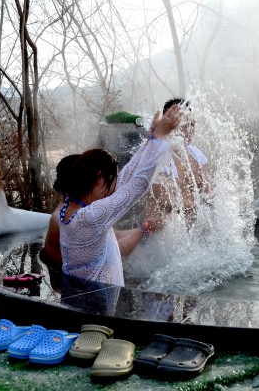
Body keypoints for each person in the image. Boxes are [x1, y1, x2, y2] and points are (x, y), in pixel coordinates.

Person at [59, 106, 182, 286]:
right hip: (95, 309)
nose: (116, 186)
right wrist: (159, 140)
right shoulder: (90, 216)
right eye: (112, 181)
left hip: (90, 302)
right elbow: (137, 185)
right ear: (99, 178)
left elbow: (127, 177)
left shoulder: (73, 207)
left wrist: (150, 141)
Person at [145, 98, 213, 228]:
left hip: (192, 234)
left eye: (192, 124)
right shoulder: (156, 156)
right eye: (185, 124)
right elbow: (168, 201)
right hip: (160, 238)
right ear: (168, 124)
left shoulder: (197, 155)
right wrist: (203, 201)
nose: (190, 130)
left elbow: (209, 189)